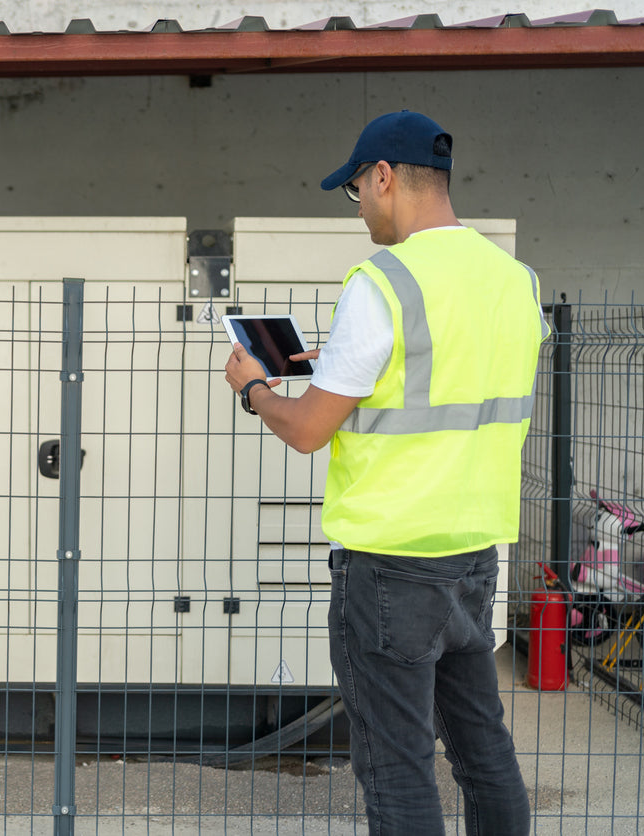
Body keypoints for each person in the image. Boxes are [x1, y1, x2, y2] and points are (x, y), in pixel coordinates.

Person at [224, 110, 547, 834]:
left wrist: (254, 390)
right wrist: (343, 361)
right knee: (482, 750)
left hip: (389, 564)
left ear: (383, 177)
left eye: (357, 192)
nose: (361, 209)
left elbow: (307, 431)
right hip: (472, 557)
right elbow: (449, 369)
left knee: (395, 764)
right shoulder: (513, 280)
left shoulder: (383, 281)